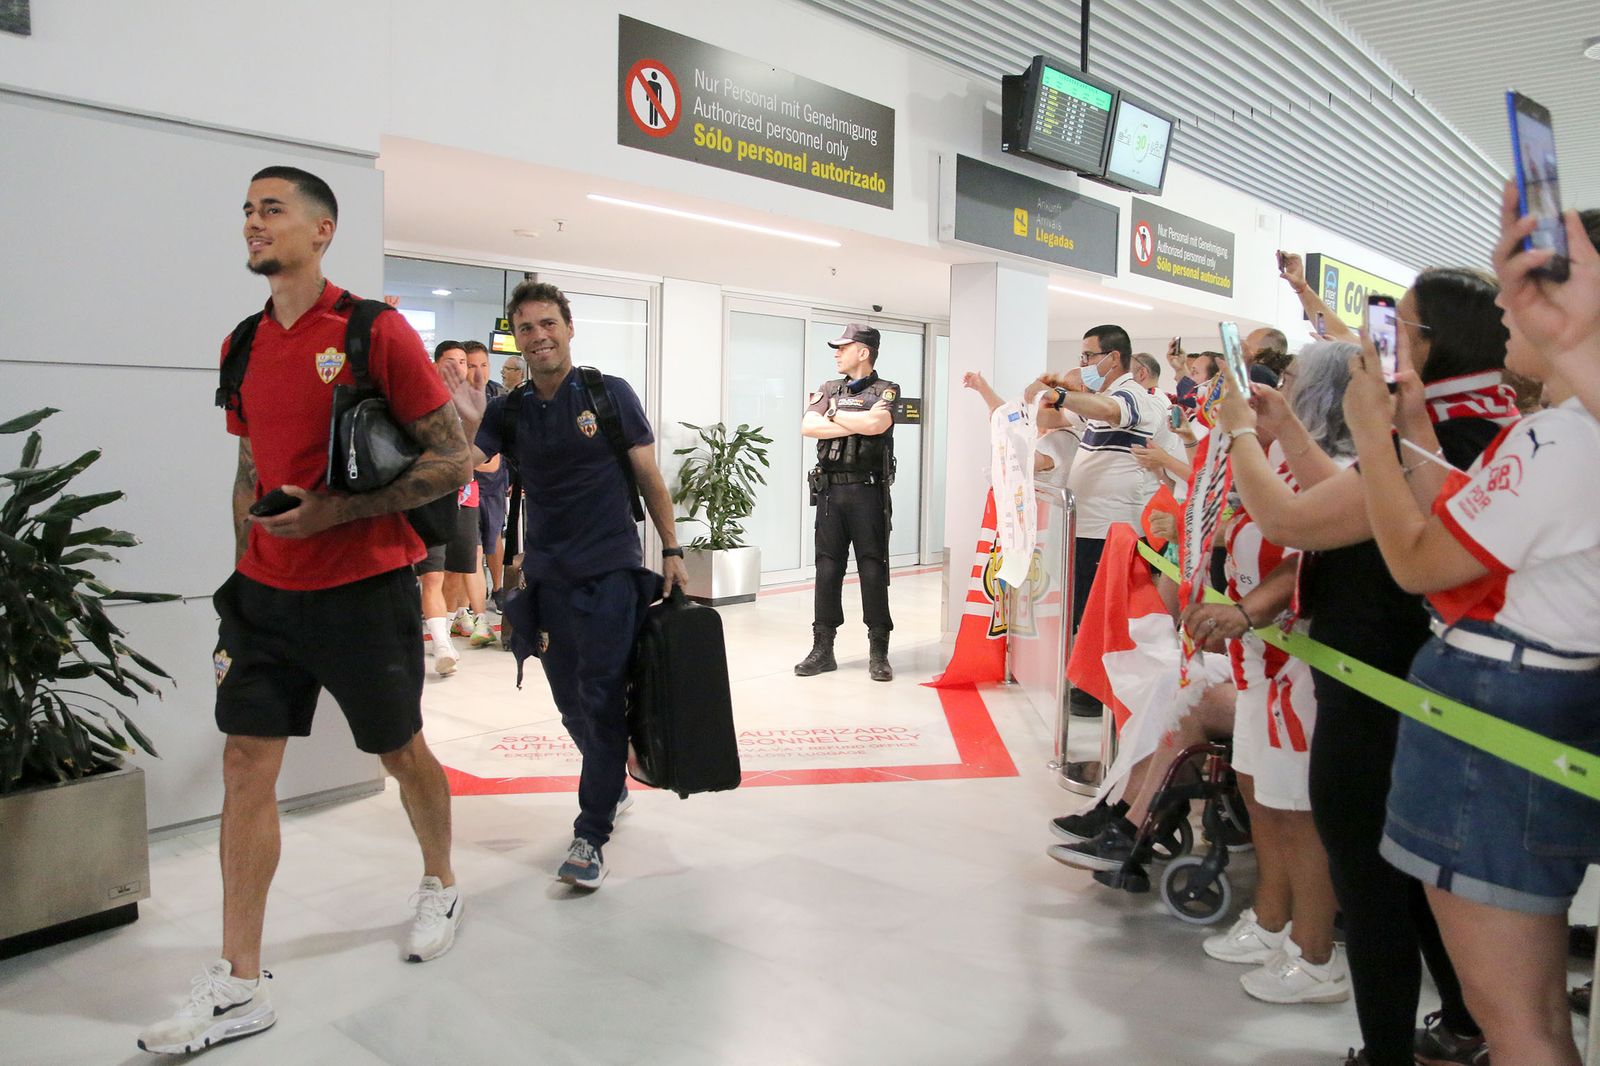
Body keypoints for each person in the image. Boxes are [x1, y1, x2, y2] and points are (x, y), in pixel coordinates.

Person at [138, 167, 468, 1056]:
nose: (253, 222)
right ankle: (241, 982)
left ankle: (440, 879)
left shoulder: (373, 332)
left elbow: (456, 462)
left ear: (322, 231)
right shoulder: (242, 342)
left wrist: (338, 512)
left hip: (364, 588)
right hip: (265, 596)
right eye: (246, 209)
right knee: (247, 763)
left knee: (401, 752)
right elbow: (249, 466)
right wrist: (244, 557)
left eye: (271, 210)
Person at [1217, 267, 1516, 1066]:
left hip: (1383, 693)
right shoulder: (1455, 427)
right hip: (1404, 687)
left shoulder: (1446, 436)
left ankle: (1388, 1051)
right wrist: (1288, 435)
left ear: (1430, 345)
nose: (1373, 347)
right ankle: (1459, 1025)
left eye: (1397, 329)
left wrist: (1241, 431)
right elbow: (1360, 509)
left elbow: (1293, 520)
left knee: (1374, 885)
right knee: (1415, 884)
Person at [1340, 190, 1600, 1066]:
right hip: (1535, 703)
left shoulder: (1563, 443)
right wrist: (1410, 426)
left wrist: (1372, 439)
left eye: (1533, 285)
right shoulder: (1559, 432)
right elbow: (1463, 529)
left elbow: (1417, 561)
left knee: (1516, 1018)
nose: (1502, 308)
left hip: (1499, 715)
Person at [465, 281, 687, 891]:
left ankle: (590, 834)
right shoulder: (508, 409)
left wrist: (671, 548)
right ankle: (611, 780)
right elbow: (468, 462)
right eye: (527, 328)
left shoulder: (607, 394)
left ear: (568, 328)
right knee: (569, 701)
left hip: (612, 571)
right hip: (548, 578)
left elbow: (649, 476)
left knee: (601, 691)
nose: (539, 336)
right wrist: (455, 418)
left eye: (548, 324)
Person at [1182, 343, 1355, 1007]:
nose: (1277, 388)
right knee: (1262, 796)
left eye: (1292, 379)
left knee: (1298, 810)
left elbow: (1299, 558)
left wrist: (1248, 611)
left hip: (1296, 662)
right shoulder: (1276, 456)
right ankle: (1272, 919)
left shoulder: (1337, 471)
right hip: (1255, 659)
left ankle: (1315, 953)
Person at [1030, 324, 1162, 717]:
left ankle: (1096, 694)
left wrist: (1063, 393)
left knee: (1100, 613)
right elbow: (1050, 417)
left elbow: (1109, 410)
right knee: (1082, 610)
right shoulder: (1098, 404)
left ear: (1114, 357)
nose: (1083, 363)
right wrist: (1038, 394)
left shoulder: (1133, 398)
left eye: (1089, 356)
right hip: (1085, 527)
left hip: (1112, 530)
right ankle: (1086, 684)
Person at [795, 324, 899, 682]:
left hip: (869, 492)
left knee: (872, 569)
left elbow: (876, 424)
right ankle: (822, 648)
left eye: (844, 347)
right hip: (830, 494)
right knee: (827, 569)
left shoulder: (886, 390)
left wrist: (834, 414)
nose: (837, 353)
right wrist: (851, 419)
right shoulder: (828, 389)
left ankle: (878, 651)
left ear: (864, 352)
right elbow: (808, 426)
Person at [433, 344, 495, 650]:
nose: (464, 369)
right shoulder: (429, 402)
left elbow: (490, 460)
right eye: (455, 362)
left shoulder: (479, 405)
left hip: (469, 496)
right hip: (434, 497)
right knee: (434, 573)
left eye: (465, 362)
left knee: (463, 566)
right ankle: (442, 636)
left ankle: (459, 620)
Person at [464, 341, 511, 611]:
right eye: (471, 365)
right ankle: (470, 605)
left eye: (483, 365)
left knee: (494, 537)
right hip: (464, 483)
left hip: (493, 482)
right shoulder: (453, 396)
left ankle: (498, 588)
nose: (478, 372)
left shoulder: (499, 396)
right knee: (473, 542)